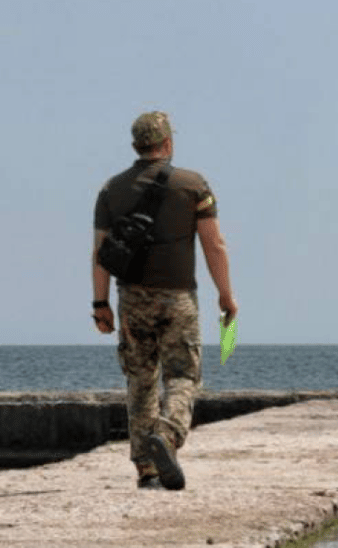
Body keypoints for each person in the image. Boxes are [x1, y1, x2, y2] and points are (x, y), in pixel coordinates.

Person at [91, 111, 238, 491]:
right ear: (168, 143)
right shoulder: (192, 184)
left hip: (130, 299)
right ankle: (168, 436)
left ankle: (145, 465)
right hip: (178, 299)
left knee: (140, 379)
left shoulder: (111, 190)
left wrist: (100, 303)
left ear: (136, 146)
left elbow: (100, 252)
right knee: (183, 375)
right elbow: (214, 245)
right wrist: (226, 295)